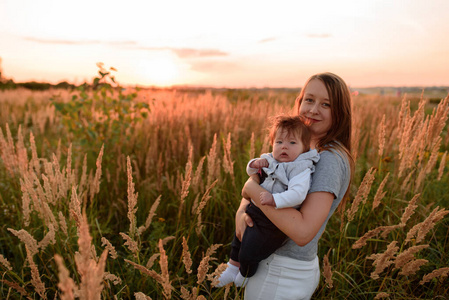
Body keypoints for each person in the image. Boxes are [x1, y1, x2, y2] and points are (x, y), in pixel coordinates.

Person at [238, 72, 354, 299]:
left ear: (339, 112)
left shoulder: (329, 158)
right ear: (299, 102)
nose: (313, 110)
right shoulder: (298, 146)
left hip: (282, 271)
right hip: (276, 264)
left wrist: (251, 190)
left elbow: (302, 232)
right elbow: (266, 181)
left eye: (326, 104)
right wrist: (241, 213)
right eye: (309, 100)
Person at [216, 115, 320, 287]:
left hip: (274, 220)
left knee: (251, 249)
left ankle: (244, 275)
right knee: (239, 238)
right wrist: (255, 163)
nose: (284, 147)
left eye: (292, 143)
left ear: (304, 148)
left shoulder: (300, 168)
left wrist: (275, 199)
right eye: (279, 142)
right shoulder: (270, 159)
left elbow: (298, 194)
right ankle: (232, 267)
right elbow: (251, 173)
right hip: (256, 209)